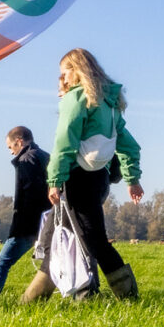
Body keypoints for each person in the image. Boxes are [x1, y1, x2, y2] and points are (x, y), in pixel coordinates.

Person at [27, 48, 143, 302]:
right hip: (98, 178)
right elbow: (128, 145)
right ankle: (28, 302)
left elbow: (64, 143)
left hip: (75, 179)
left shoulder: (77, 99)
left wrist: (55, 180)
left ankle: (116, 298)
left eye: (65, 72)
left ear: (77, 69)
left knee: (92, 241)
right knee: (60, 237)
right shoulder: (109, 103)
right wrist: (132, 178)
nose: (63, 78)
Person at [0, 126, 50, 300]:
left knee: (1, 263)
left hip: (29, 223)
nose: (11, 152)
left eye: (11, 147)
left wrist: (20, 225)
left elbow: (30, 194)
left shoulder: (27, 159)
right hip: (47, 221)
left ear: (19, 141)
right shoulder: (45, 156)